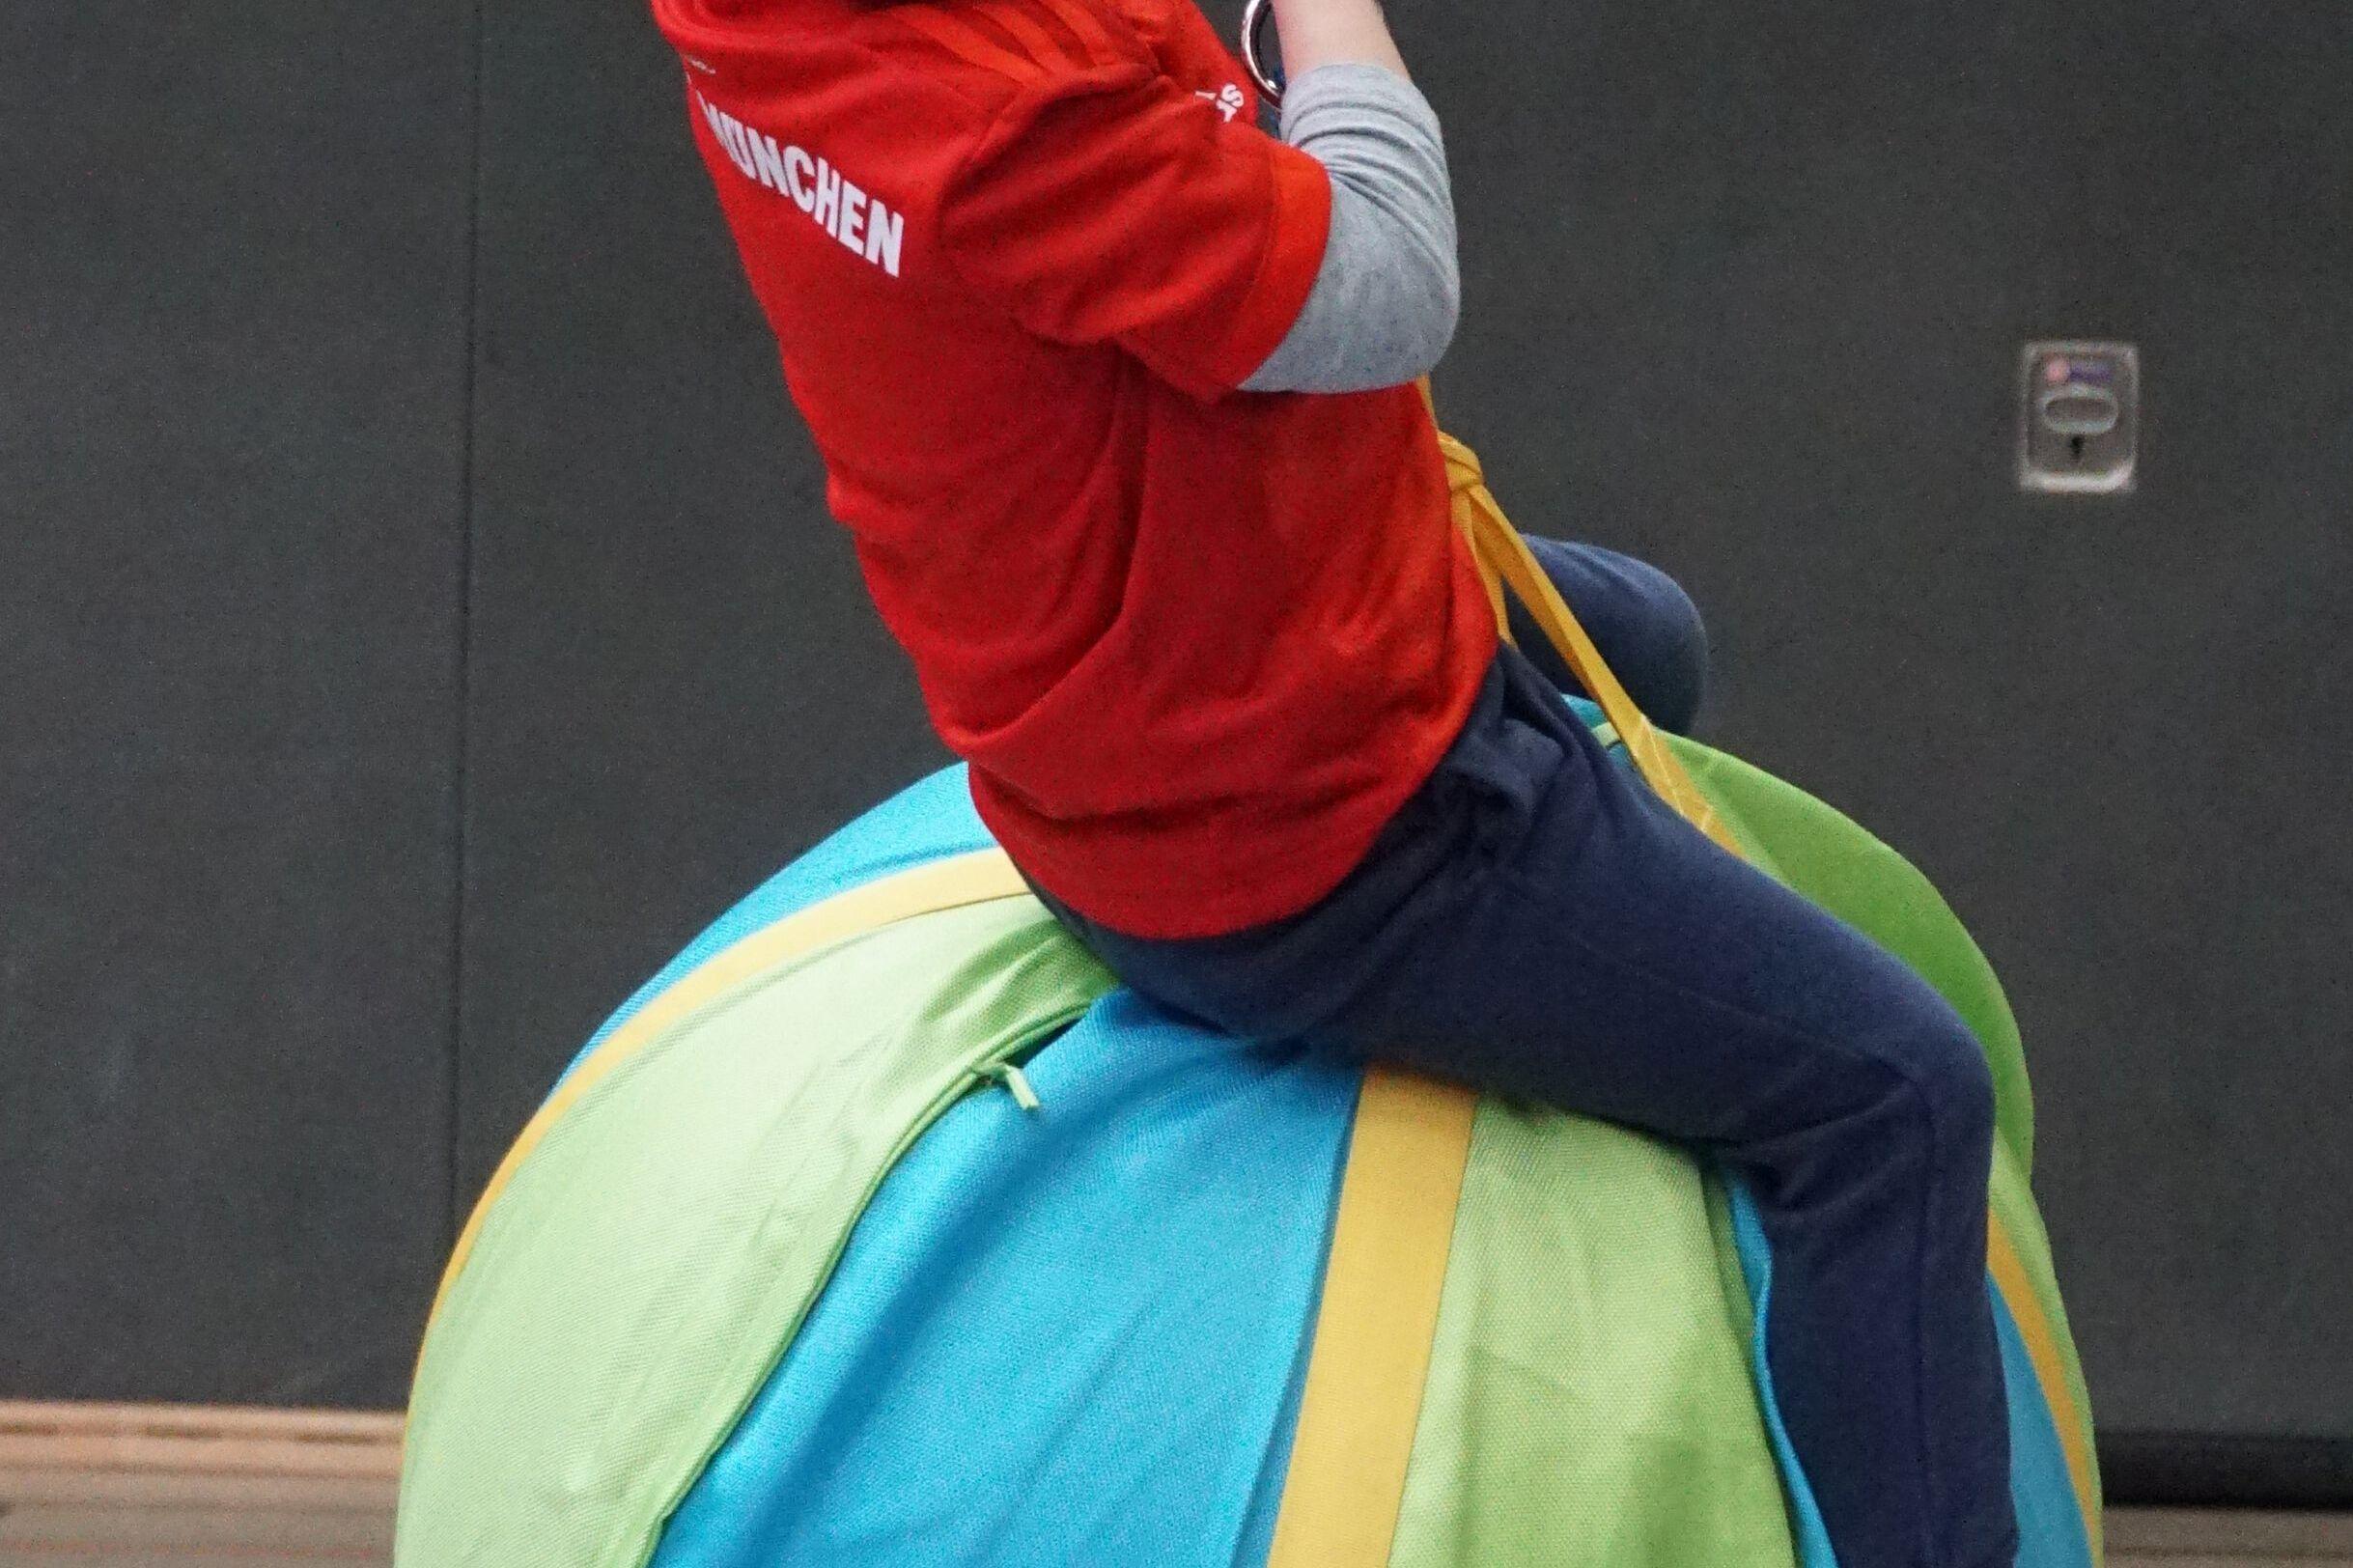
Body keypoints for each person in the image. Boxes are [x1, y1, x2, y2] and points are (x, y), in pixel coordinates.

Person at [652, 0, 2018, 1561]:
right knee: (1899, 1098)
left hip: (1185, 664)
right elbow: (1385, 286)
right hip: (1318, 825)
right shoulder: (1002, 120)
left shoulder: (778, 29)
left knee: (1643, 639)